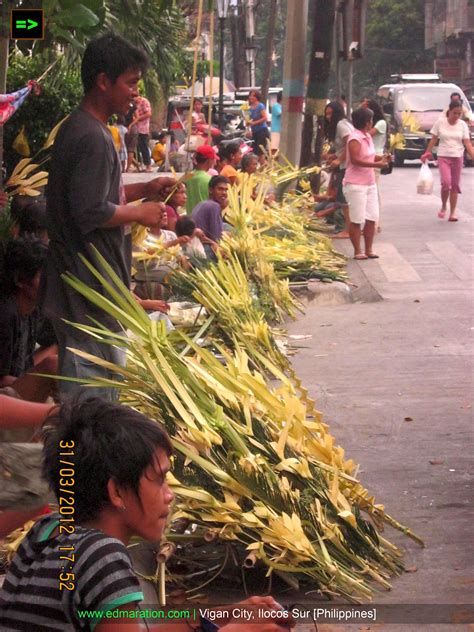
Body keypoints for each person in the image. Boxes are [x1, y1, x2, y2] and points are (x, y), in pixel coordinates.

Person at [0, 397, 293, 632]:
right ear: (116, 492)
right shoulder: (102, 556)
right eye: (160, 478)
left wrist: (221, 617)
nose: (170, 494)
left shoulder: (50, 530)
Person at [40, 33, 175, 402]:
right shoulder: (93, 137)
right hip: (88, 294)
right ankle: (70, 461)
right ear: (103, 81)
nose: (135, 93)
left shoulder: (85, 129)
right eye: (130, 83)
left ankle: (79, 459)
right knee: (86, 405)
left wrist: (145, 188)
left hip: (91, 294)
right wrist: (142, 213)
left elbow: (96, 196)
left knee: (96, 396)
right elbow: (90, 211)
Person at [0, 237, 58, 403]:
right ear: (20, 281)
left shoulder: (35, 307)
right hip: (6, 397)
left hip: (18, 379)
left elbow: (52, 343)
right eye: (43, 277)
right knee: (52, 365)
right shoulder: (6, 314)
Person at [343, 107, 390, 260]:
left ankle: (369, 249)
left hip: (369, 183)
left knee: (372, 217)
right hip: (355, 184)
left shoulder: (367, 137)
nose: (372, 123)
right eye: (370, 120)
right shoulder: (355, 138)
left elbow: (369, 156)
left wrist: (382, 158)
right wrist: (377, 165)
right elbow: (356, 160)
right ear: (366, 122)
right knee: (357, 219)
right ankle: (358, 250)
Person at [421, 101, 474, 221]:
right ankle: (444, 205)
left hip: (457, 157)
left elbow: (467, 143)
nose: (456, 116)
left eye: (459, 114)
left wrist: (472, 154)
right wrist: (427, 153)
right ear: (449, 112)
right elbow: (434, 139)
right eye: (454, 113)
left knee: (455, 185)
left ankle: (453, 212)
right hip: (443, 156)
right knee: (446, 183)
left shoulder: (462, 125)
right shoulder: (440, 122)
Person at [324, 100, 354, 239]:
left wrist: (339, 160)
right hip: (344, 164)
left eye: (331, 114)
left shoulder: (342, 125)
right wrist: (334, 156)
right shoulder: (340, 125)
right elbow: (343, 147)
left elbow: (351, 144)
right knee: (344, 199)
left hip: (347, 166)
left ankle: (347, 229)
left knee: (344, 199)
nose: (328, 117)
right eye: (327, 114)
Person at [192, 175, 229, 256]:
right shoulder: (214, 206)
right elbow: (216, 239)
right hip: (203, 250)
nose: (224, 193)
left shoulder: (203, 203)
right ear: (210, 190)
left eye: (226, 190)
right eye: (220, 189)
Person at [365, 98, 388, 231]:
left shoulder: (381, 123)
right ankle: (372, 222)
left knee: (374, 191)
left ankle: (375, 222)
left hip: (376, 157)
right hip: (368, 156)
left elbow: (368, 135)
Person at [185, 144, 217, 214]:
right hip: (204, 220)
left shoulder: (188, 176)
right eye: (213, 159)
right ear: (209, 160)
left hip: (190, 219)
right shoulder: (210, 180)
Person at [247, 90, 270, 163]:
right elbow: (249, 120)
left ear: (257, 97)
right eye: (250, 95)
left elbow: (265, 118)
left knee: (260, 153)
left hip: (262, 131)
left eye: (253, 96)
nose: (251, 97)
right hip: (254, 132)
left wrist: (254, 123)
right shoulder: (249, 108)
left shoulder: (260, 106)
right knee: (255, 152)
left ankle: (263, 167)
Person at [133, 93, 153, 172]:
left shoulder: (144, 102)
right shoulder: (134, 104)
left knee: (143, 146)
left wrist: (138, 119)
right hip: (135, 127)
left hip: (143, 128)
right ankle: (139, 165)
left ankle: (148, 165)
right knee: (136, 148)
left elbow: (148, 114)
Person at [124, 102, 139, 172]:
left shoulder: (120, 103)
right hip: (132, 128)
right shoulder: (133, 105)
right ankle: (127, 168)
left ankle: (126, 167)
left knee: (125, 149)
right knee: (130, 149)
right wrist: (130, 125)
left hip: (123, 127)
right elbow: (137, 117)